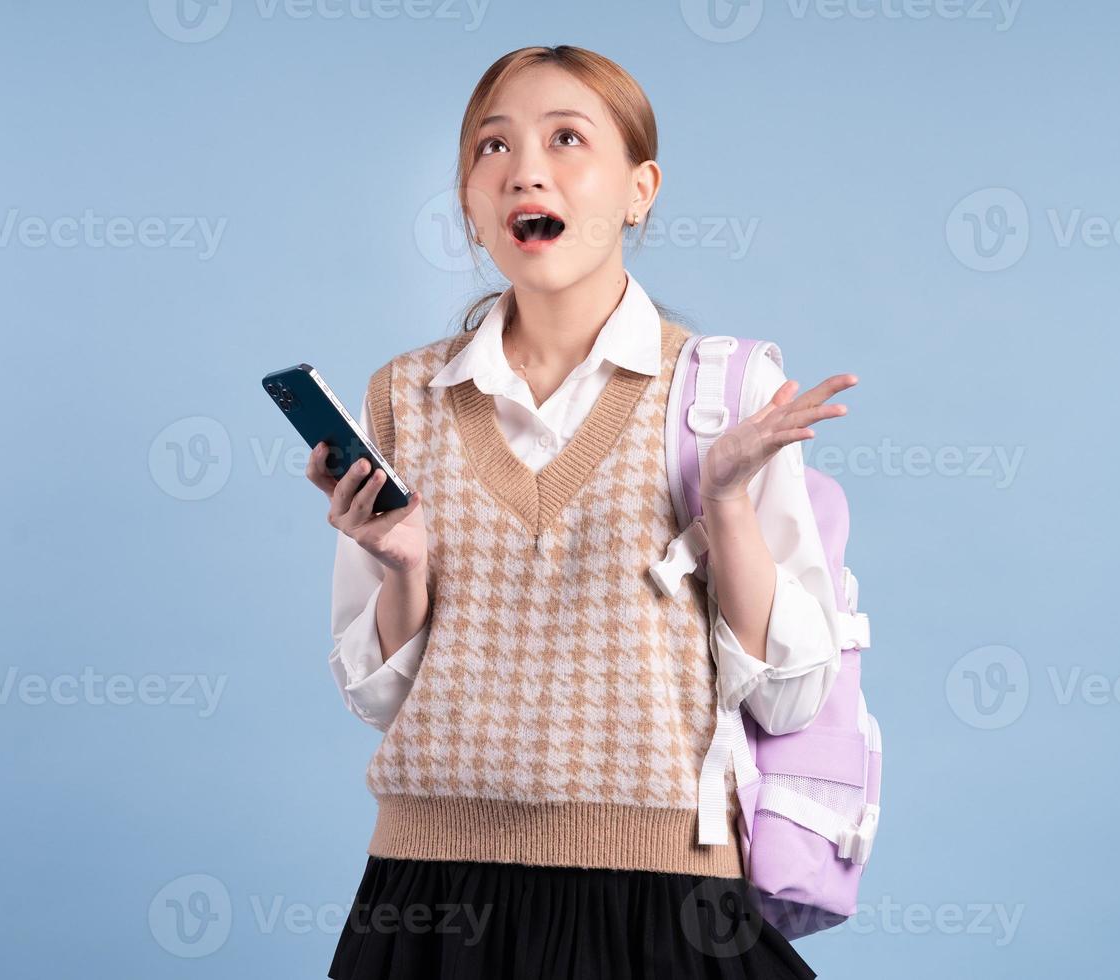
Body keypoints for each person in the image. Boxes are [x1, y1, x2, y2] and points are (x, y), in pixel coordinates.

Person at [309, 44, 857, 980]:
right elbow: (381, 700)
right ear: (473, 206)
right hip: (432, 895)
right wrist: (404, 565)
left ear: (640, 188)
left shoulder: (722, 393)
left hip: (662, 894)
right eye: (493, 148)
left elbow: (793, 694)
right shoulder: (403, 397)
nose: (526, 168)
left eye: (568, 138)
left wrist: (723, 502)